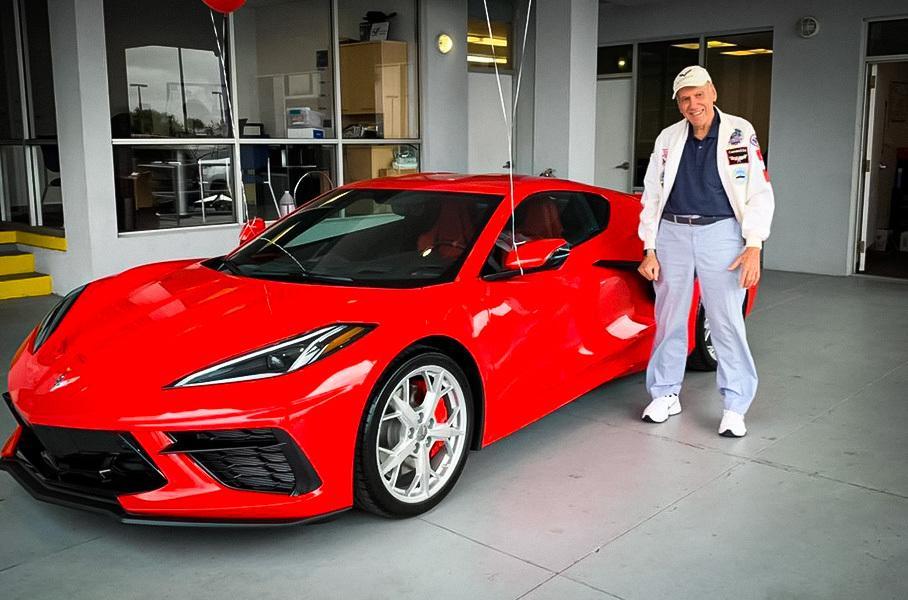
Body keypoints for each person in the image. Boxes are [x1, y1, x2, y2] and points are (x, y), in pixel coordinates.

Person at [637, 65, 774, 437]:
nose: (693, 103)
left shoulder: (738, 132)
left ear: (712, 92)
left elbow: (758, 191)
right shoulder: (667, 138)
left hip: (722, 232)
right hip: (673, 233)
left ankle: (735, 405)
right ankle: (665, 392)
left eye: (698, 94)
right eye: (685, 98)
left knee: (726, 319)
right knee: (669, 318)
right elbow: (651, 194)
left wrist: (753, 246)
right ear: (678, 104)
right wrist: (649, 247)